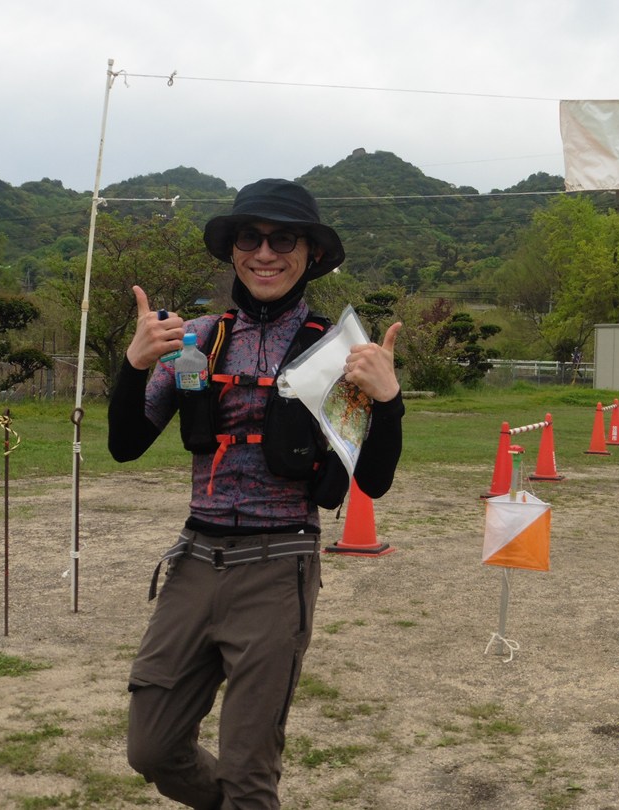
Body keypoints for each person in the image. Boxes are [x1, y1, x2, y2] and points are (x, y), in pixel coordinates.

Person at [107, 178, 404, 809]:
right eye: (250, 238)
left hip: (278, 564)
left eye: (284, 240)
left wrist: (388, 400)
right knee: (152, 749)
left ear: (311, 254)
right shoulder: (198, 340)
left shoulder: (337, 353)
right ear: (233, 250)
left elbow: (374, 480)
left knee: (249, 771)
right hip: (195, 559)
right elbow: (126, 444)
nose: (265, 253)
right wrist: (134, 367)